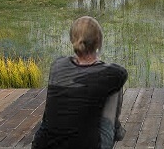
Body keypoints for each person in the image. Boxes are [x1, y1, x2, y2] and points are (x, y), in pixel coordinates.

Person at [32, 16, 128, 149]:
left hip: (43, 145)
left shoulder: (57, 65)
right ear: (99, 41)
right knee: (115, 87)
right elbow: (121, 73)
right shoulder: (112, 73)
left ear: (73, 40)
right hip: (86, 145)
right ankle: (116, 130)